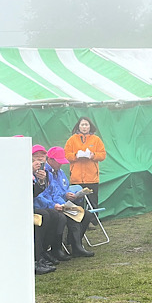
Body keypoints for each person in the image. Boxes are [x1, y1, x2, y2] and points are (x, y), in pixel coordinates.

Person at [34, 147, 95, 258]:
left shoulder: (58, 173)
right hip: (45, 206)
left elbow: (57, 192)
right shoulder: (42, 173)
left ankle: (75, 245)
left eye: (42, 156)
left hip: (57, 203)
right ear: (50, 160)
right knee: (62, 217)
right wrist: (55, 205)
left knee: (84, 214)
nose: (61, 164)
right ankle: (55, 249)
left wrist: (65, 202)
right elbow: (39, 196)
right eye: (59, 162)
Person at [32, 144, 68, 275]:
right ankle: (39, 256)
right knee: (46, 215)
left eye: (42, 156)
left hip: (46, 205)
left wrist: (62, 203)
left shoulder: (48, 173)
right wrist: (52, 205)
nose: (39, 159)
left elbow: (54, 191)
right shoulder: (23, 170)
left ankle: (49, 251)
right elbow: (37, 197)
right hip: (32, 206)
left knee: (59, 216)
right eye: (36, 156)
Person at [64, 117, 106, 223]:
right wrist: (76, 155)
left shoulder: (96, 139)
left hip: (92, 178)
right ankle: (77, 222)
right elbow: (66, 155)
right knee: (77, 202)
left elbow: (102, 155)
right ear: (78, 126)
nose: (84, 127)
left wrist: (93, 155)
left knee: (92, 201)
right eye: (82, 125)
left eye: (86, 125)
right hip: (76, 178)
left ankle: (92, 222)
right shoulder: (72, 140)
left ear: (90, 126)